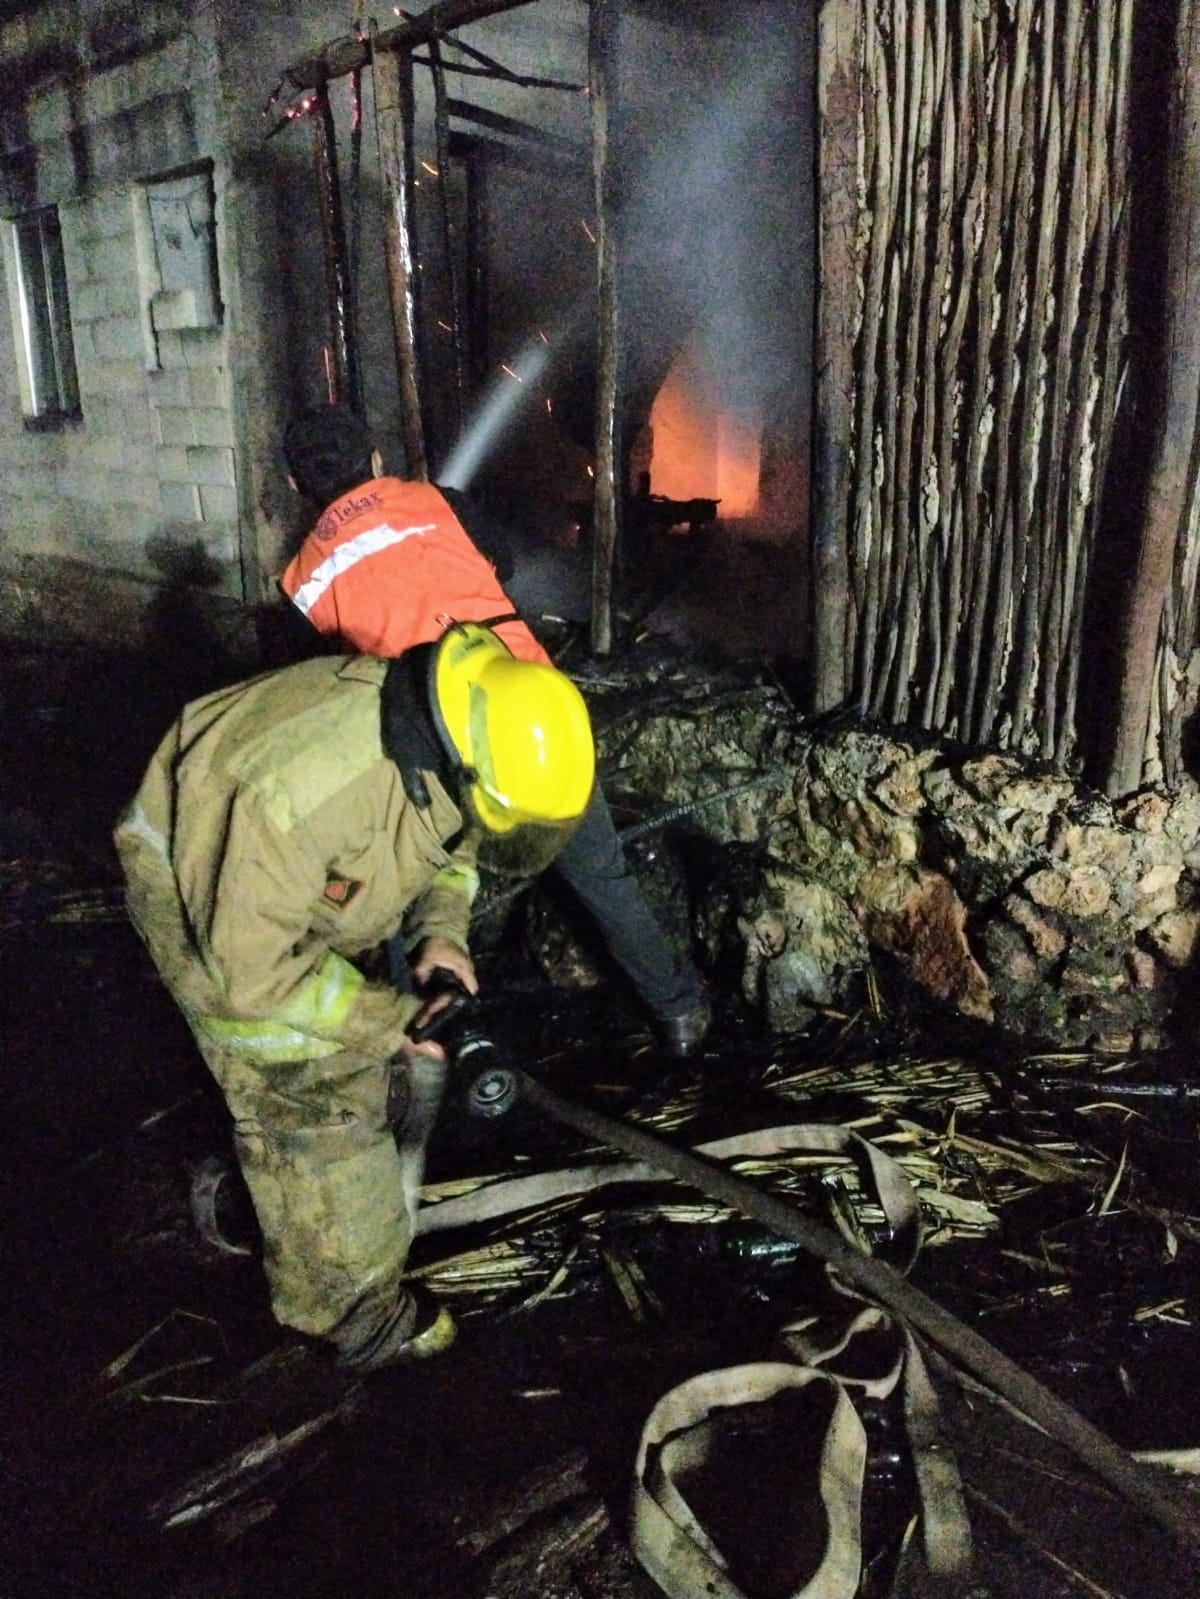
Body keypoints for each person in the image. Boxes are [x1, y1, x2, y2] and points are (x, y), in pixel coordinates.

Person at [114, 623, 595, 1373]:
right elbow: (254, 971)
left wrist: (442, 932)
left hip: (294, 877)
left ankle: (267, 1203)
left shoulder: (456, 721)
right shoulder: (302, 793)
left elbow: (457, 833)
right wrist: (387, 1020)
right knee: (309, 1092)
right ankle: (348, 1310)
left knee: (364, 1064)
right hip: (207, 892)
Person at [277, 403, 710, 1058]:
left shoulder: (301, 579)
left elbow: (327, 686)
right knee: (600, 873)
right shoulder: (433, 503)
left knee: (414, 893)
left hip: (429, 756)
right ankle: (681, 1012)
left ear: (294, 487)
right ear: (373, 461)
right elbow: (501, 563)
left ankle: (427, 1040)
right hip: (529, 718)